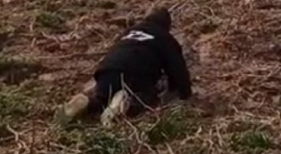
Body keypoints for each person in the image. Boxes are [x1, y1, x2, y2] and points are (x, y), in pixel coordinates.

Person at [57, 8, 193, 126]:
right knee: (146, 98)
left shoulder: (128, 32)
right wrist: (185, 93)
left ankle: (87, 102)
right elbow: (177, 69)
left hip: (106, 70)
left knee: (102, 99)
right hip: (135, 73)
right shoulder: (165, 37)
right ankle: (124, 102)